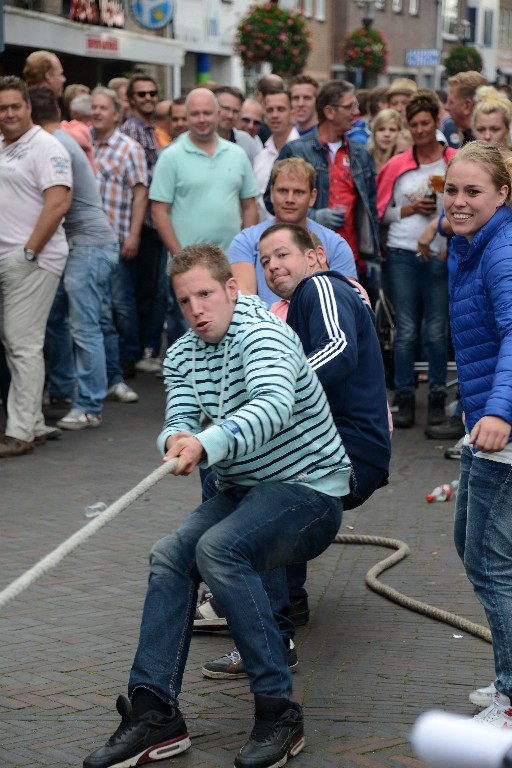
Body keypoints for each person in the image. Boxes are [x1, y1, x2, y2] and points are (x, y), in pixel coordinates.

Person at [83, 243, 352, 768]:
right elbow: (179, 414)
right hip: (243, 489)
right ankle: (155, 712)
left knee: (220, 549)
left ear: (232, 289)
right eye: (185, 301)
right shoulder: (183, 353)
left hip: (309, 490)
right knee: (169, 555)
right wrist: (175, 440)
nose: (196, 309)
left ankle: (279, 714)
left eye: (205, 294)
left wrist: (209, 444)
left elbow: (272, 404)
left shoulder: (265, 335)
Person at [200, 223, 391, 677]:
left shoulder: (322, 285)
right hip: (343, 448)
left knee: (252, 482)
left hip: (348, 450)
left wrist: (272, 395)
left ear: (315, 256)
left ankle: (268, 635)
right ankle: (289, 600)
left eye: (282, 254)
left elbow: (339, 349)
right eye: (264, 261)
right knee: (231, 470)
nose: (272, 266)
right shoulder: (303, 305)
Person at [442, 142, 512, 727]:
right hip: (482, 422)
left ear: (502, 195)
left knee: (490, 558)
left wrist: (500, 412)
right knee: (476, 547)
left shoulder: (502, 250)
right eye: (452, 190)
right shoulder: (468, 245)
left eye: (473, 192)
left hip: (502, 427)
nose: (459, 202)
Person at [29, 87, 132, 432]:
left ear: (30, 114)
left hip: (88, 245)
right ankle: (62, 390)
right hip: (82, 245)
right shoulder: (58, 139)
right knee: (56, 317)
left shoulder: (55, 144)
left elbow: (58, 203)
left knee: (84, 325)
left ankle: (89, 406)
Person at [377, 90, 457, 429]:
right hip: (402, 253)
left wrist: (448, 243)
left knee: (436, 331)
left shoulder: (454, 160)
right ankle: (405, 398)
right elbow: (380, 214)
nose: (421, 130)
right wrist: (411, 209)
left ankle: (438, 397)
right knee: (406, 330)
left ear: (437, 122)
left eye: (426, 123)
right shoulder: (397, 165)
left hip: (440, 251)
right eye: (414, 125)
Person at [0, 76, 72, 458]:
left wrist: (28, 254)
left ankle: (21, 432)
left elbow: (58, 203)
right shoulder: (4, 145)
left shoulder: (46, 146)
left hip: (33, 259)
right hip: (11, 259)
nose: (9, 113)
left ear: (29, 107)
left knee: (22, 344)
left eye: (15, 106)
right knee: (18, 344)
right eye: (2, 108)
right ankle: (33, 423)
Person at [264, 80, 381, 302]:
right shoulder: (296, 150)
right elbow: (270, 201)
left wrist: (372, 255)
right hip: (305, 257)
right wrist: (312, 215)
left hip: (350, 257)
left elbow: (371, 211)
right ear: (329, 111)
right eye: (349, 106)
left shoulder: (360, 154)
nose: (355, 112)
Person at [229, 157, 356, 307]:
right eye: (283, 191)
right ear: (271, 193)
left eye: (298, 192)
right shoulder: (245, 240)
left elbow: (346, 303)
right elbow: (245, 301)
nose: (290, 199)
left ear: (312, 196)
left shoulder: (335, 244)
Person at [150, 88, 258, 257]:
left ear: (218, 113)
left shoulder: (237, 154)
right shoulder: (170, 157)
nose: (201, 119)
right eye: (195, 114)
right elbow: (158, 212)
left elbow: (250, 206)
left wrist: (245, 252)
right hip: (188, 266)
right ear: (187, 116)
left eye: (207, 113)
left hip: (232, 263)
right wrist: (180, 258)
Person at [91, 86, 147, 388]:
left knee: (121, 304)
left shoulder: (129, 148)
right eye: (93, 107)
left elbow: (141, 193)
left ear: (116, 113)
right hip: (86, 242)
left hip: (117, 239)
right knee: (96, 307)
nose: (96, 112)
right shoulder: (84, 143)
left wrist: (134, 234)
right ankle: (108, 363)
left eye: (102, 108)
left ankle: (127, 357)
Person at [122, 75, 167, 373]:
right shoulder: (131, 131)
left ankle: (139, 350)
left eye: (152, 92)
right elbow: (141, 183)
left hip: (154, 221)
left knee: (151, 289)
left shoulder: (152, 130)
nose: (148, 97)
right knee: (139, 291)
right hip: (140, 223)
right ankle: (133, 353)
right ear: (132, 99)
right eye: (142, 94)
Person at [254, 89, 299, 221]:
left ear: (292, 113)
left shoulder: (307, 151)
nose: (275, 115)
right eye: (270, 110)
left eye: (280, 109)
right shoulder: (260, 157)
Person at [213, 85, 260, 165]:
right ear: (213, 107)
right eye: (226, 109)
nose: (230, 115)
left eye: (235, 111)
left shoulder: (246, 142)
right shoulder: (199, 140)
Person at [446, 70, 488, 146]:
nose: (446, 107)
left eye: (451, 102)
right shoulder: (471, 139)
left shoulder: (479, 147)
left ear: (467, 106)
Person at [472, 85, 512, 159]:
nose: (487, 136)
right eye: (481, 130)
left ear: (507, 129)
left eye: (495, 129)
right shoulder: (465, 164)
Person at [368, 108, 402, 172]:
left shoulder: (405, 160)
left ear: (400, 132)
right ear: (374, 133)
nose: (386, 134)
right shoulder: (364, 159)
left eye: (392, 130)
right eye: (381, 129)